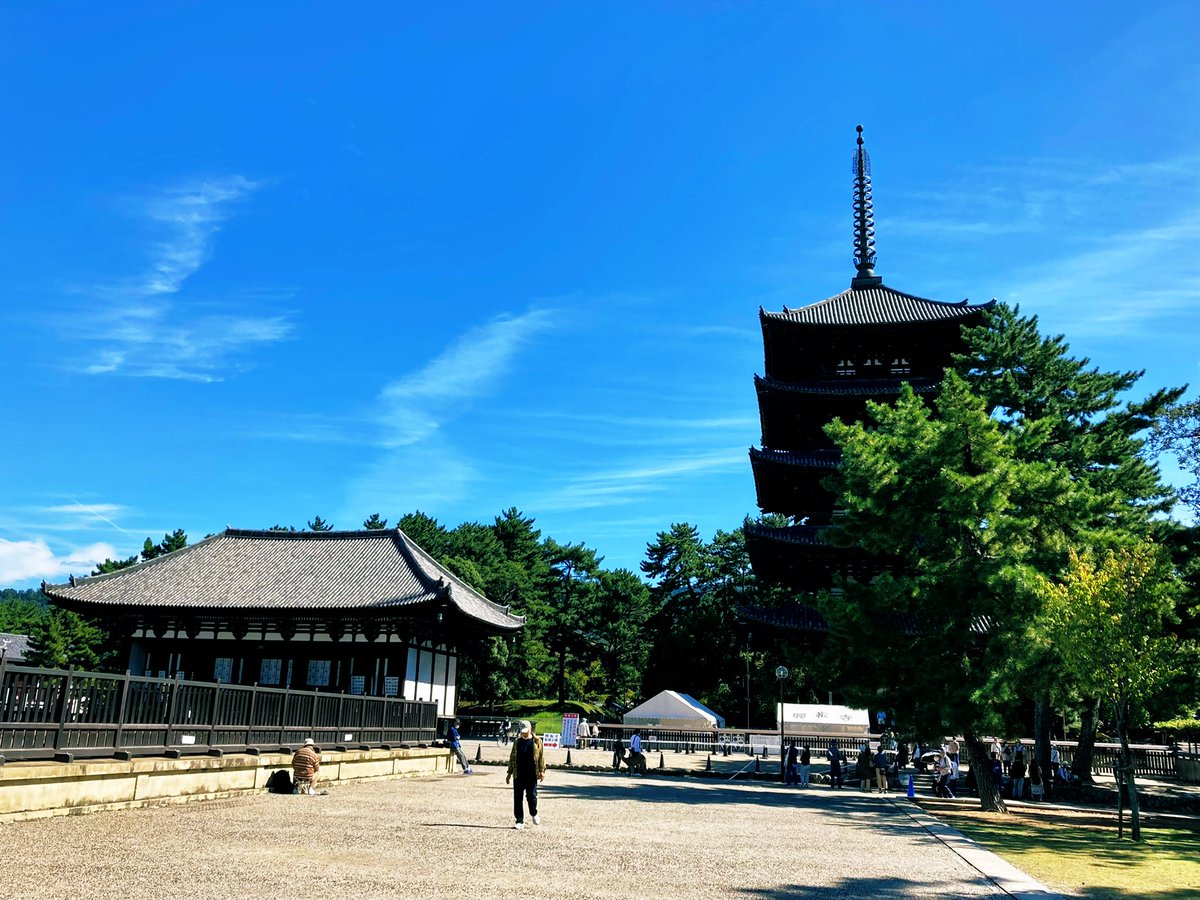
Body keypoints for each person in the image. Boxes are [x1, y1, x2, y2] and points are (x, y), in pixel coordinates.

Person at [506, 720, 546, 830]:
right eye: (522, 732)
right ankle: (519, 820)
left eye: (526, 731)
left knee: (531, 796)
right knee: (518, 798)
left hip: (531, 774)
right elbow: (512, 757)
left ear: (530, 730)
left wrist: (542, 771)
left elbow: (541, 757)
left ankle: (533, 812)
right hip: (518, 773)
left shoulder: (537, 741)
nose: (524, 734)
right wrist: (509, 773)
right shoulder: (517, 742)